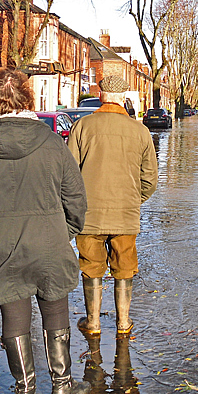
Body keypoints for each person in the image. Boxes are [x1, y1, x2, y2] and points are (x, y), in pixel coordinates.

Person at [0, 67, 91, 394]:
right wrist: (65, 232)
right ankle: (61, 386)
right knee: (56, 308)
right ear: (28, 100)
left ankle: (25, 393)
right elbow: (76, 199)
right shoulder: (51, 143)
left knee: (13, 313)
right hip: (48, 242)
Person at [68, 75, 158, 338]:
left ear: (100, 93)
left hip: (88, 213)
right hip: (125, 213)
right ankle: (124, 321)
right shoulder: (140, 131)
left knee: (91, 264)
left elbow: (69, 173)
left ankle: (93, 322)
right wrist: (131, 199)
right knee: (125, 264)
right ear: (123, 97)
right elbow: (150, 179)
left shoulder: (82, 127)